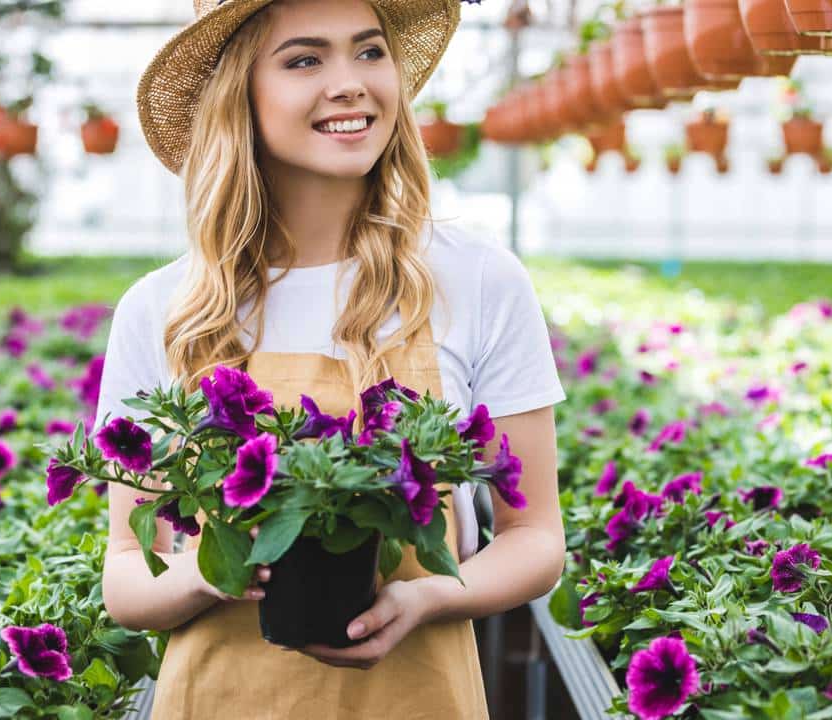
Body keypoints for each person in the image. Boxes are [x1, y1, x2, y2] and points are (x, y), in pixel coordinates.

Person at [96, 0, 566, 716]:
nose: (350, 83)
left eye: (370, 52)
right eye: (305, 59)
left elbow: (534, 538)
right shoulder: (165, 308)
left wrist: (429, 595)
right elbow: (127, 577)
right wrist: (208, 573)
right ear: (240, 93)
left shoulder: (476, 280)